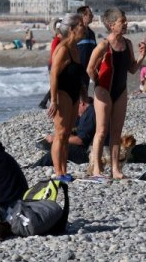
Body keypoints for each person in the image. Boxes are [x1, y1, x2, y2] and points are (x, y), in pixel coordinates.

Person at [87, 7, 146, 179]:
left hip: (120, 90)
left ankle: (115, 169)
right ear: (112, 25)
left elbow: (132, 69)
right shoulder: (103, 45)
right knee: (102, 131)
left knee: (116, 132)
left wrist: (142, 56)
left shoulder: (127, 44)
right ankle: (97, 169)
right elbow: (90, 68)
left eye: (125, 20)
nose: (126, 23)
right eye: (122, 21)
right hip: (103, 90)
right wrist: (98, 84)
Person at [47, 13, 87, 182]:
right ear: (71, 29)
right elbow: (54, 75)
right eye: (81, 26)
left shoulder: (75, 48)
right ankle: (58, 172)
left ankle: (64, 170)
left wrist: (84, 92)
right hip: (62, 94)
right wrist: (54, 100)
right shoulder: (62, 49)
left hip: (74, 94)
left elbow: (77, 74)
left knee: (66, 134)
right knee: (60, 134)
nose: (84, 28)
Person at [33, 97, 96, 166]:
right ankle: (53, 157)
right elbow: (73, 132)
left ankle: (37, 165)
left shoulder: (90, 113)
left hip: (86, 153)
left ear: (82, 104)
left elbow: (80, 140)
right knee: (46, 143)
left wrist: (56, 139)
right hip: (81, 146)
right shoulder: (83, 113)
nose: (73, 109)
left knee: (60, 146)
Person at [39, 20, 63, 109]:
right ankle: (44, 101)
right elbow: (54, 55)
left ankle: (46, 101)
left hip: (54, 64)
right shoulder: (57, 40)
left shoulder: (59, 40)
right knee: (56, 83)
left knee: (57, 83)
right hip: (54, 64)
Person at [76, 5, 97, 90]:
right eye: (90, 14)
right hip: (76, 72)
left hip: (87, 71)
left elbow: (95, 52)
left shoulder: (91, 33)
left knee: (83, 97)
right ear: (84, 16)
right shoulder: (75, 32)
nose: (92, 16)